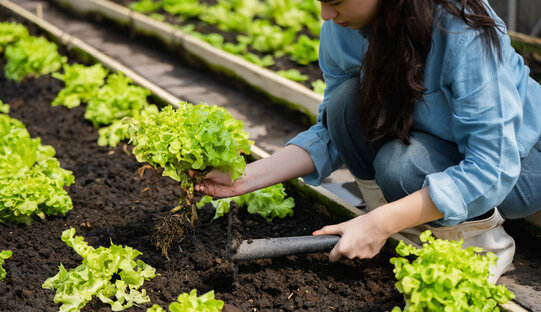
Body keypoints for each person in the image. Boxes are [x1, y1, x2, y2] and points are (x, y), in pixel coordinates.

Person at [193, 0, 541, 282]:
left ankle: (482, 243)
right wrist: (242, 178)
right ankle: (404, 220)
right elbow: (333, 132)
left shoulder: (460, 31)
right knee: (346, 104)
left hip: (520, 162)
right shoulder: (342, 28)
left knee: (402, 168)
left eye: (335, 2)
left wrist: (379, 224)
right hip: (442, 141)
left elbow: (491, 165)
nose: (325, 15)